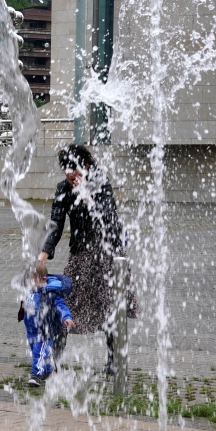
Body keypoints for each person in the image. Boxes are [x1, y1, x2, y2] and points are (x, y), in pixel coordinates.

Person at [35, 144, 127, 376]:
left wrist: (86, 195)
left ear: (85, 165)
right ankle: (53, 359)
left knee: (108, 304)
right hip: (80, 254)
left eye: (73, 168)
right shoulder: (62, 189)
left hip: (106, 252)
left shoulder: (101, 182)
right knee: (66, 302)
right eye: (65, 168)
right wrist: (44, 254)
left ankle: (114, 360)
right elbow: (55, 225)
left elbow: (109, 220)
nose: (69, 173)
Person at [20, 271, 75, 387]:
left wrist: (66, 317)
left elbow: (61, 306)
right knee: (37, 351)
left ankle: (36, 375)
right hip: (32, 330)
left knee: (38, 352)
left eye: (32, 281)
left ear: (43, 280)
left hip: (45, 330)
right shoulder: (32, 290)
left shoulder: (51, 293)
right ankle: (48, 370)